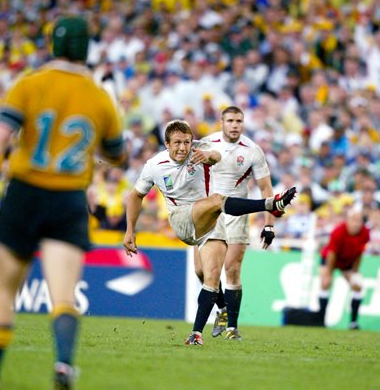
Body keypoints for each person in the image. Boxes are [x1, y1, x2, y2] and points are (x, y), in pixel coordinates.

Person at [0, 16, 127, 390]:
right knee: (63, 296)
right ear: (87, 49)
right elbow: (117, 154)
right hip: (68, 199)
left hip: (25, 193)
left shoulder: (29, 85)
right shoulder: (100, 97)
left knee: (5, 291)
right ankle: (63, 365)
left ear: (54, 44)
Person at [123, 119, 296, 346]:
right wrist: (129, 231)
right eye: (177, 143)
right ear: (167, 144)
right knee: (216, 200)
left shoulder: (200, 151)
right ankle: (269, 204)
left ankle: (198, 332)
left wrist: (208, 157)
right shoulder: (154, 165)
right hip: (182, 220)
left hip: (210, 220)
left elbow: (216, 156)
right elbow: (135, 195)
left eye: (186, 142)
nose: (183, 148)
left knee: (209, 276)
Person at [198, 106, 277, 341]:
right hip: (209, 212)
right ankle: (221, 308)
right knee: (201, 271)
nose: (235, 125)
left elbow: (266, 189)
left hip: (236, 213)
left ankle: (232, 328)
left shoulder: (253, 150)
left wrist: (269, 224)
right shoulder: (206, 144)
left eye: (239, 121)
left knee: (231, 269)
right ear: (221, 122)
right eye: (230, 120)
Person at [318, 205, 369, 330]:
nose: (357, 224)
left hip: (347, 261)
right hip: (330, 259)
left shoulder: (365, 233)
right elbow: (332, 254)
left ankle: (353, 322)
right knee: (325, 283)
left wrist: (355, 272)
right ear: (347, 220)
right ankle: (321, 320)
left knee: (357, 286)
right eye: (354, 220)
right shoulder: (338, 232)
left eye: (359, 220)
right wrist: (329, 273)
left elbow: (359, 253)